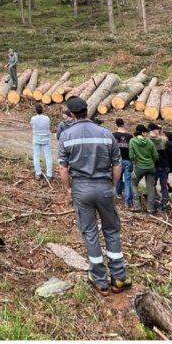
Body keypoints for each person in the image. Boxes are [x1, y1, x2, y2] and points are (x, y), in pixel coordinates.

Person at [58, 96, 131, 294]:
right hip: (105, 186)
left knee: (90, 232)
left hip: (81, 188)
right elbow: (117, 165)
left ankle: (99, 279)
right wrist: (113, 186)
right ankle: (118, 277)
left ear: (71, 114)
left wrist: (69, 189)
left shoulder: (66, 135)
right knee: (111, 230)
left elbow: (63, 169)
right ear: (87, 110)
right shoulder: (106, 134)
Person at [129, 124, 158, 213]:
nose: (147, 134)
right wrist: (151, 162)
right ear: (142, 132)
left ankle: (137, 206)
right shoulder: (149, 142)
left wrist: (136, 161)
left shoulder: (132, 141)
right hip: (151, 167)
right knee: (150, 188)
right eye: (146, 132)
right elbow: (156, 156)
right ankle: (150, 208)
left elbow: (131, 156)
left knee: (134, 184)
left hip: (140, 168)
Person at [31, 103, 53, 180]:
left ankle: (38, 173)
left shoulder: (33, 118)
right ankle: (49, 174)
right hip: (46, 139)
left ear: (35, 110)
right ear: (42, 110)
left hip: (36, 139)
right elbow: (48, 125)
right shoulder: (47, 118)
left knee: (36, 156)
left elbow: (32, 125)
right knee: (48, 157)